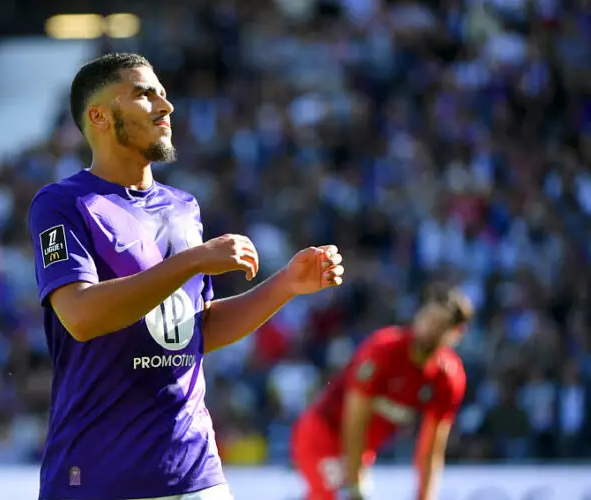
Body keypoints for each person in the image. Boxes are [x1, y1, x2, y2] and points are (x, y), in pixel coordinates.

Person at [28, 52, 346, 500]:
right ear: (98, 115)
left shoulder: (183, 207)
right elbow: (80, 316)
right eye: (143, 93)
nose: (165, 105)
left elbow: (193, 330)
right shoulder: (62, 203)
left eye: (162, 92)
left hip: (195, 470)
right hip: (99, 475)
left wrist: (287, 285)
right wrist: (192, 261)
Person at [291, 285, 472, 500]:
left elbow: (431, 450)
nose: (429, 329)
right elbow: (355, 421)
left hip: (362, 451)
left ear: (456, 333)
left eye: (440, 325)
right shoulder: (384, 350)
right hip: (322, 434)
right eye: (428, 319)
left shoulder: (448, 378)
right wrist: (355, 482)